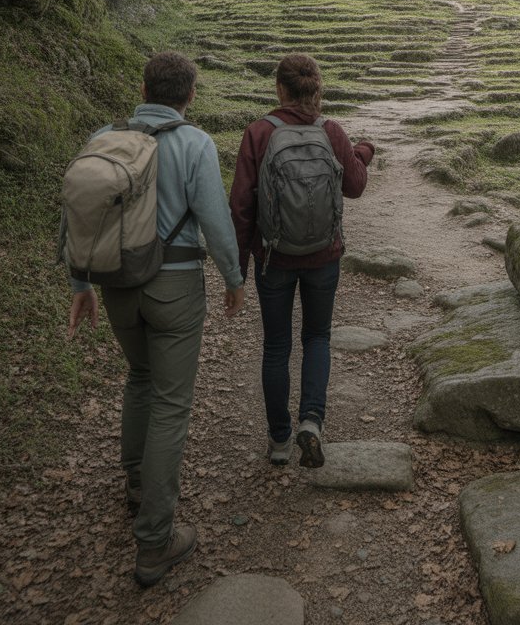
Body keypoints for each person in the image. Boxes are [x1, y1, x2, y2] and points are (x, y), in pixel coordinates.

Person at [67, 52, 244, 587]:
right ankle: (154, 541)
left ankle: (137, 485)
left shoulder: (104, 137)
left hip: (117, 282)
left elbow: (75, 208)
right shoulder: (195, 143)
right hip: (174, 285)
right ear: (190, 95)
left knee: (139, 377)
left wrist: (80, 285)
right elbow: (215, 219)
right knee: (171, 404)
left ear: (143, 87)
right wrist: (233, 278)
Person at [230, 54, 374, 469]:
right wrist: (362, 151)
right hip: (323, 256)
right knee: (317, 337)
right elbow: (356, 186)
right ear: (317, 89)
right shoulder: (330, 131)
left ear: (279, 89)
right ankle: (311, 421)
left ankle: (278, 440)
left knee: (276, 345)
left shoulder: (258, 133)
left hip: (273, 257)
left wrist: (236, 272)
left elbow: (240, 208)